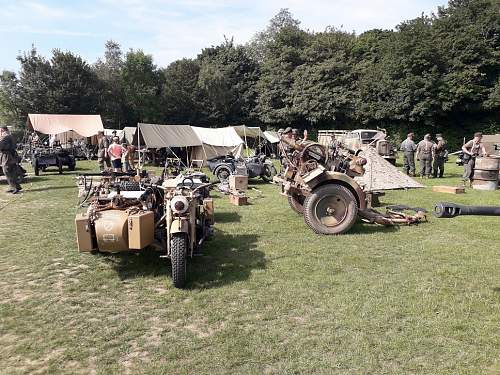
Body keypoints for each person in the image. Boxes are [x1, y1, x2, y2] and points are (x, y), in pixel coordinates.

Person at [0, 126, 22, 194]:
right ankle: (14, 186)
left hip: (7, 155)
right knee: (10, 171)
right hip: (10, 155)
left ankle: (14, 187)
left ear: (2, 130)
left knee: (7, 170)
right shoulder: (9, 135)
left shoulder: (5, 136)